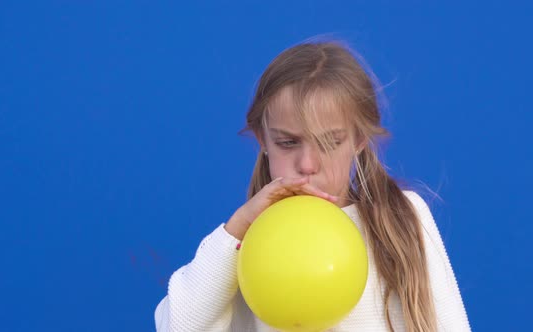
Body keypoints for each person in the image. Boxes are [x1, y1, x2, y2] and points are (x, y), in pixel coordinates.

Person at [154, 39, 471, 332]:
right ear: (264, 139)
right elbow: (176, 326)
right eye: (288, 142)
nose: (307, 164)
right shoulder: (245, 244)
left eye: (329, 142)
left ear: (359, 139)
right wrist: (236, 229)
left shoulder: (403, 217)